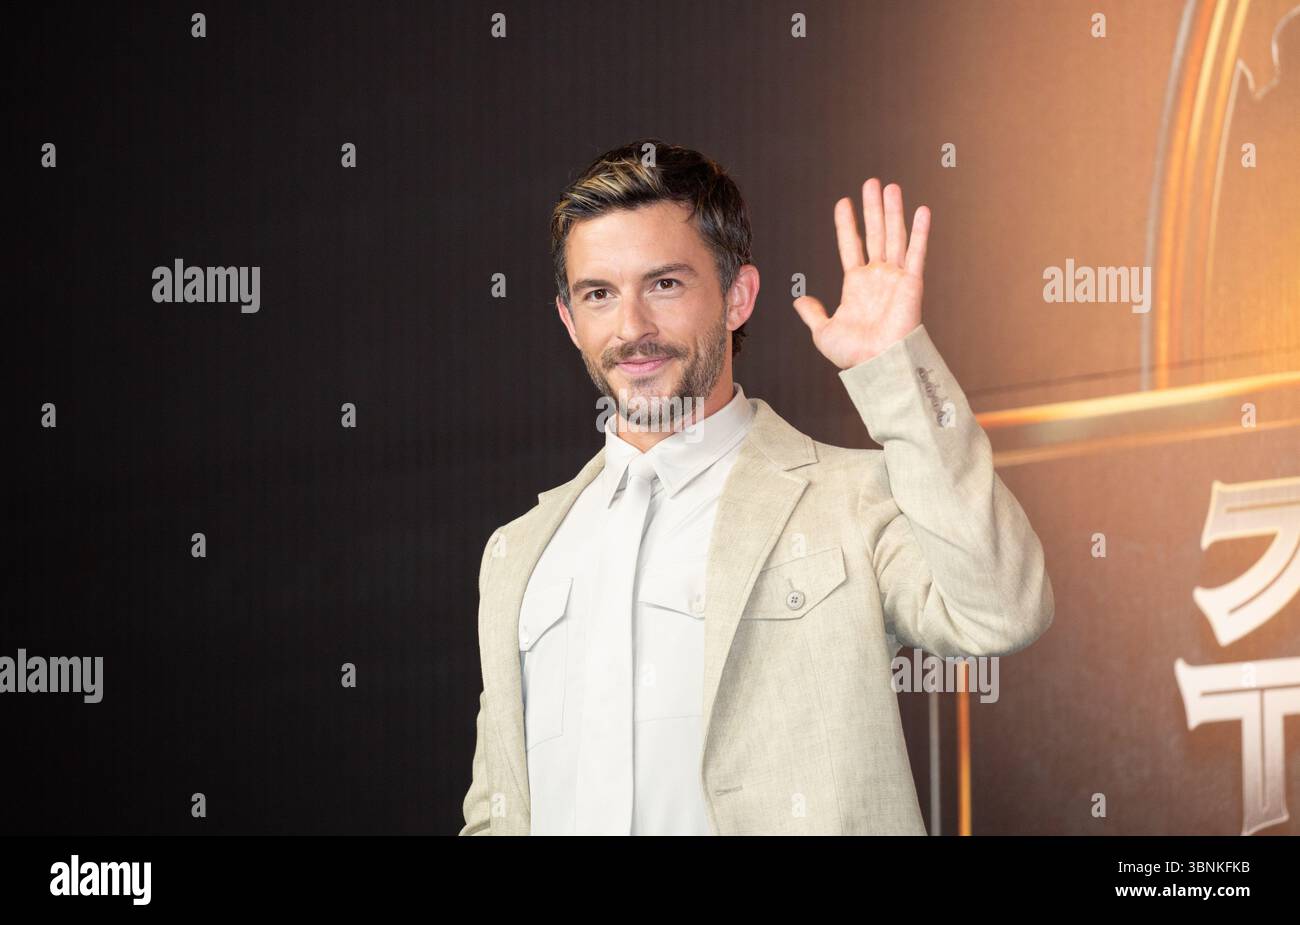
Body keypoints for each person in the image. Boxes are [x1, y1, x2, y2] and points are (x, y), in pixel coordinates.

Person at [459, 138, 1054, 835]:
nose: (632, 328)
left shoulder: (846, 498)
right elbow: (495, 811)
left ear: (737, 296)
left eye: (666, 284)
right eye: (599, 294)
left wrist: (894, 369)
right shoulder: (520, 551)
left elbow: (1002, 609)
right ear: (569, 320)